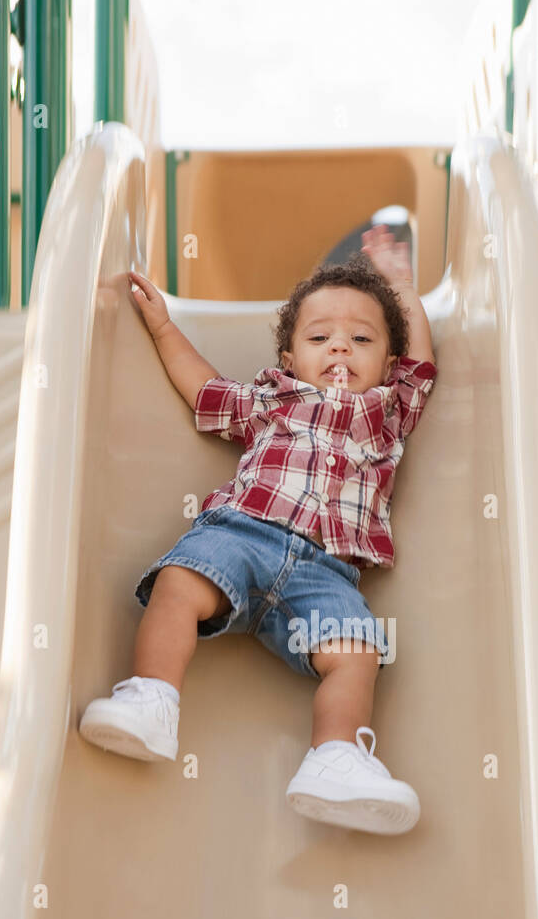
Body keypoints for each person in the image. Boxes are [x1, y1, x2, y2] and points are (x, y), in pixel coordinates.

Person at [79, 225, 437, 835]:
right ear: (290, 360)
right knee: (180, 582)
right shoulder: (274, 401)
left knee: (357, 653)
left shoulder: (388, 413)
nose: (341, 350)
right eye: (321, 338)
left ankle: (336, 758)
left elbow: (424, 361)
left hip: (328, 572)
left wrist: (401, 285)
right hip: (243, 534)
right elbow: (205, 392)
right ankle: (152, 697)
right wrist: (165, 329)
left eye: (361, 339)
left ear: (388, 364)